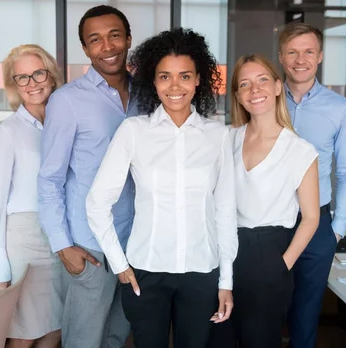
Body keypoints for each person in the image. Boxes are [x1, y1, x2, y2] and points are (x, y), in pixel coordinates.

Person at [86, 28, 238, 348]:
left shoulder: (218, 136)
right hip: (146, 272)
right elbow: (97, 203)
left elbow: (225, 211)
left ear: (199, 79)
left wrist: (226, 281)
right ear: (153, 82)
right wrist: (119, 263)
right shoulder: (133, 131)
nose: (174, 86)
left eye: (184, 76)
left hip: (201, 271)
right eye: (164, 76)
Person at [38, 5, 137, 347]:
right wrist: (63, 245)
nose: (107, 47)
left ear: (128, 39)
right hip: (89, 247)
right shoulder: (67, 101)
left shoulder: (148, 95)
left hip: (133, 245)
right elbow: (49, 179)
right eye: (95, 40)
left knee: (116, 337)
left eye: (114, 36)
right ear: (85, 49)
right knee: (83, 341)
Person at [228, 53, 320, 347]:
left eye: (263, 80)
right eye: (245, 84)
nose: (255, 90)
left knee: (260, 341)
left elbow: (311, 217)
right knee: (219, 339)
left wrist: (283, 264)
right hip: (224, 252)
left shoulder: (300, 150)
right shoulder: (226, 139)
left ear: (279, 87)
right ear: (238, 96)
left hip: (269, 256)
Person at [278, 22, 346, 348]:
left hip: (317, 223)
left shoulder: (339, 108)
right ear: (282, 57)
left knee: (306, 313)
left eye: (309, 51)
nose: (301, 59)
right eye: (293, 52)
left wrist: (337, 228)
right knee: (263, 308)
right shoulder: (263, 98)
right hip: (268, 222)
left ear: (320, 56)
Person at [0, 44, 65, 348]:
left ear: (51, 75)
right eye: (22, 78)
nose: (32, 83)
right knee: (23, 334)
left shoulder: (63, 122)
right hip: (24, 241)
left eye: (38, 73)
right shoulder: (8, 132)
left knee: (55, 329)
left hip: (59, 239)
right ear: (13, 85)